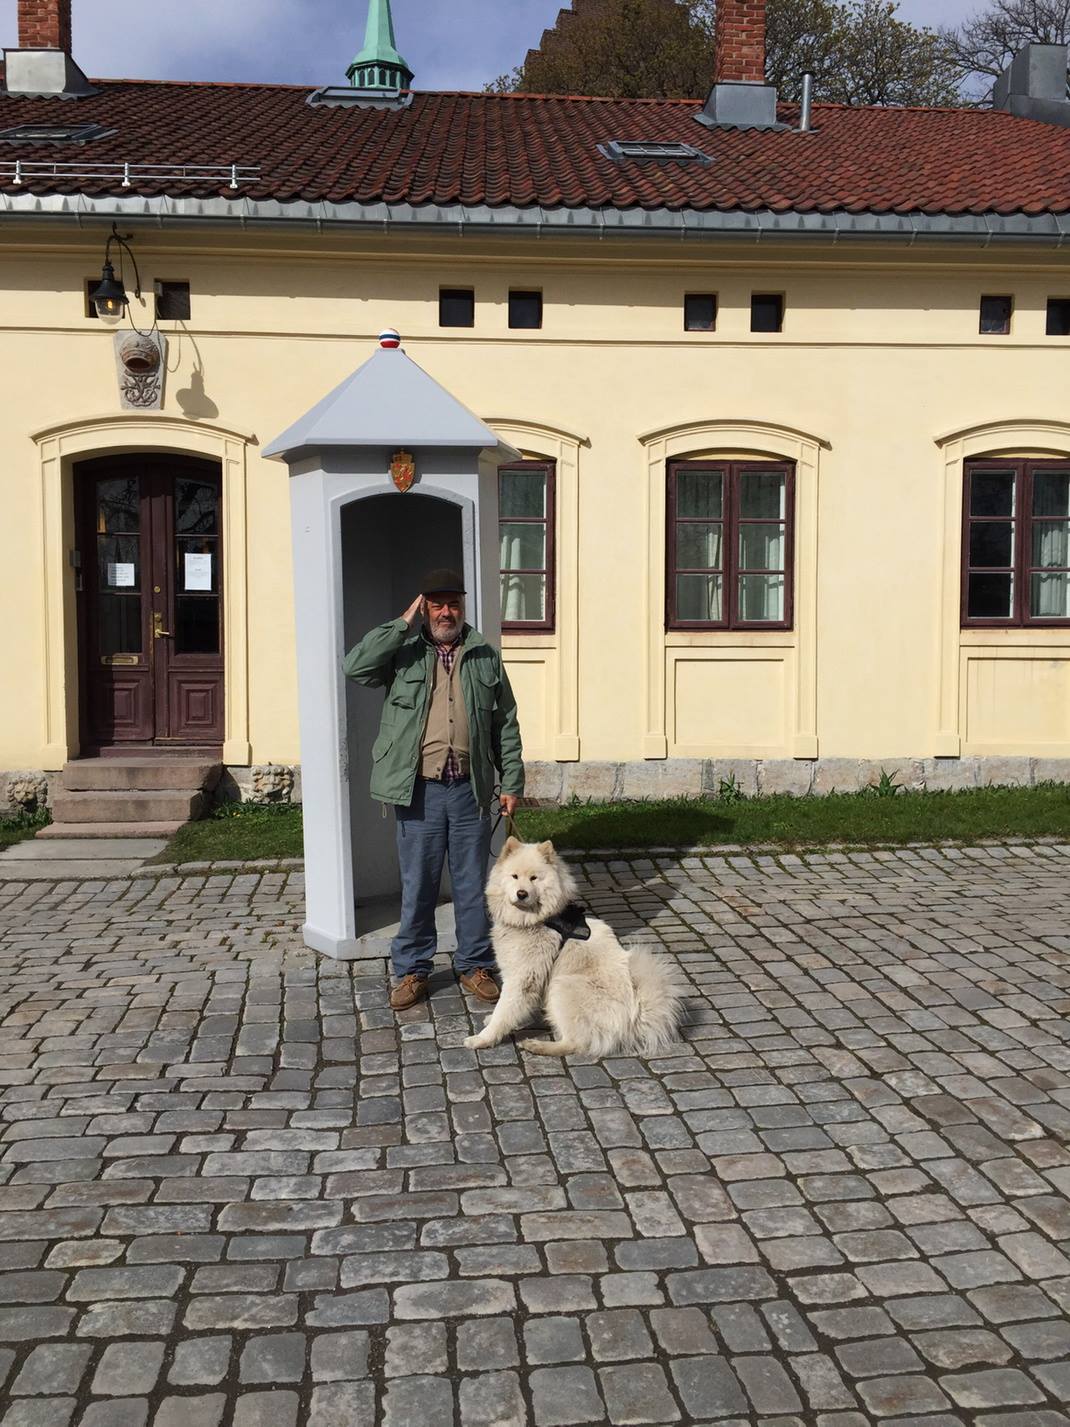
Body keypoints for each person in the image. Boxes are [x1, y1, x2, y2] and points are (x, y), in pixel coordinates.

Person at [344, 569, 524, 1011]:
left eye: (454, 604)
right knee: (419, 885)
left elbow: (505, 723)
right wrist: (402, 622)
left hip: (469, 790)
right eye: (437, 605)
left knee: (472, 885)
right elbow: (356, 666)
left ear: (463, 607)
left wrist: (512, 781)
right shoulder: (403, 652)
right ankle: (412, 969)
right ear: (425, 608)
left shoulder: (484, 656)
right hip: (418, 791)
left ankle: (475, 964)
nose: (447, 613)